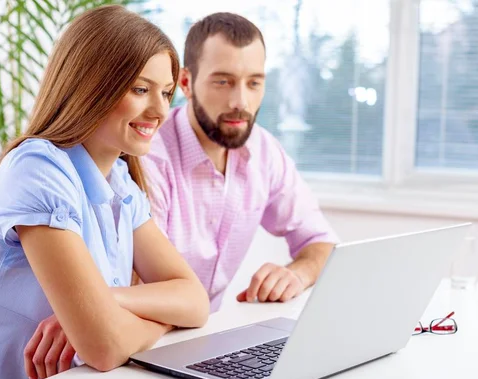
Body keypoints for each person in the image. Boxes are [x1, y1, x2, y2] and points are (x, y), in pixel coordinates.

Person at [0, 5, 209, 379]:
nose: (160, 111)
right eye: (141, 89)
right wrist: (153, 319)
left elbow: (194, 300)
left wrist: (108, 301)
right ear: (90, 86)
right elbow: (105, 346)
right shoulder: (37, 169)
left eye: (166, 92)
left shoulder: (121, 182)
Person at [141, 12, 339, 312]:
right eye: (223, 81)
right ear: (185, 82)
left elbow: (322, 242)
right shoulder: (149, 157)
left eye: (254, 83)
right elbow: (142, 290)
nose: (241, 102)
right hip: (145, 337)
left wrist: (297, 274)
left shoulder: (263, 151)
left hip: (208, 334)